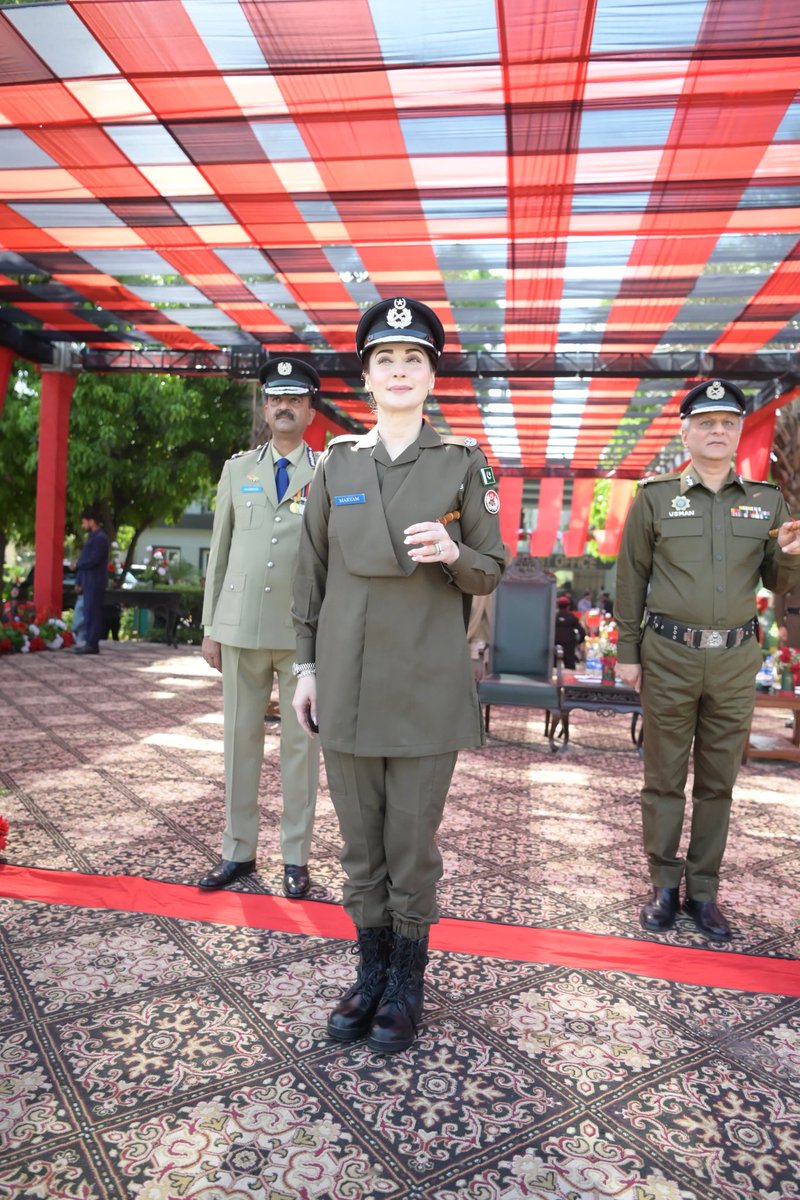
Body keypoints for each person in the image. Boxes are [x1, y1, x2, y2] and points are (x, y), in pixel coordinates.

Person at [291, 297, 505, 1053]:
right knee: (359, 844)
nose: (400, 370)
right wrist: (306, 668)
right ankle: (371, 971)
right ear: (368, 375)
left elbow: (491, 569)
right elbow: (309, 573)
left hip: (424, 682)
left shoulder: (461, 464)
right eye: (386, 359)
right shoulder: (337, 463)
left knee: (411, 843)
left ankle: (407, 982)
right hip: (345, 682)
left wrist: (452, 557)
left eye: (414, 358)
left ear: (432, 373)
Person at [615, 379, 800, 941]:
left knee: (719, 781)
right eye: (706, 421)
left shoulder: (767, 500)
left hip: (735, 661)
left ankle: (704, 891)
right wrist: (628, 651)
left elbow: (777, 578)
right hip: (669, 654)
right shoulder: (653, 497)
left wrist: (792, 557)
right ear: (686, 431)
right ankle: (664, 885)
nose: (717, 431)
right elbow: (632, 577)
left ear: (740, 430)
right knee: (664, 777)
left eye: (727, 422)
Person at [198, 357, 321, 898]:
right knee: (237, 744)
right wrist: (209, 626)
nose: (285, 406)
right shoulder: (237, 471)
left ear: (310, 410)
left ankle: (295, 856)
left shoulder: (329, 474)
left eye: (295, 398)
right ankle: (237, 852)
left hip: (301, 638)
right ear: (266, 407)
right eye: (276, 398)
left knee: (301, 749)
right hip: (240, 629)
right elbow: (219, 553)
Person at [73, 506, 109, 656]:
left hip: (95, 581)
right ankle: (88, 642)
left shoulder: (101, 538)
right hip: (88, 580)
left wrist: (78, 565)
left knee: (93, 613)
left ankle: (92, 644)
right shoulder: (93, 537)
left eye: (84, 522)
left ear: (91, 521)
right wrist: (79, 581)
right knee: (87, 612)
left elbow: (93, 560)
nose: (83, 526)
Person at [555, 595, 586, 669]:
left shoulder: (553, 617)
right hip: (569, 646)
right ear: (568, 606)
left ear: (558, 605)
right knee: (570, 668)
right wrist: (577, 642)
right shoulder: (572, 617)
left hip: (555, 645)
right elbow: (582, 632)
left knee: (552, 669)